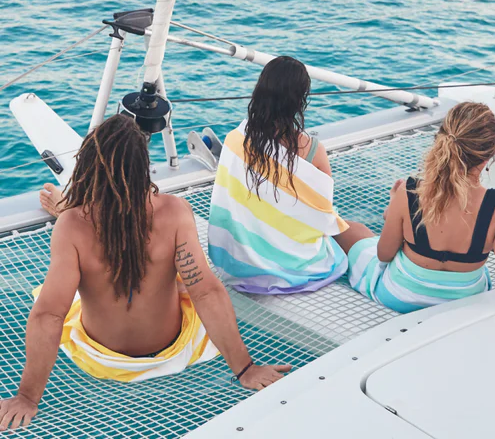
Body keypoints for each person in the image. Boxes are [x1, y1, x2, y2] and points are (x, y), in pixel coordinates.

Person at [0, 115, 290, 432]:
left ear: (88, 167)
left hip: (102, 358)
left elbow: (49, 316)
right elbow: (206, 292)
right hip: (176, 347)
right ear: (143, 168)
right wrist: (246, 369)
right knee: (186, 277)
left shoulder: (72, 227)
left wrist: (26, 398)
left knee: (52, 295)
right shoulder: (175, 212)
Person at [336, 102, 495, 313]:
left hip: (400, 297)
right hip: (465, 301)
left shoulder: (410, 192)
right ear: (491, 153)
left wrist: (392, 210)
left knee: (353, 231)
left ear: (440, 140)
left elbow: (383, 254)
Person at [208, 56, 349, 294]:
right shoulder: (313, 150)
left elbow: (227, 202)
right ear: (299, 100)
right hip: (294, 267)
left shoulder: (235, 139)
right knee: (348, 231)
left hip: (238, 263)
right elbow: (322, 215)